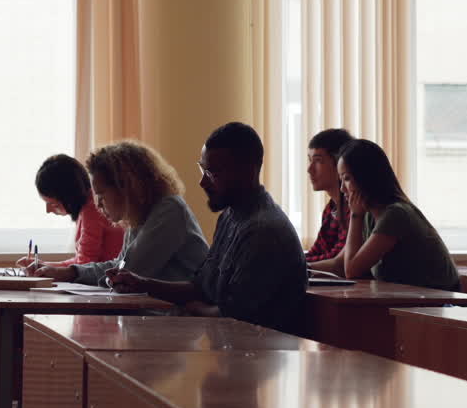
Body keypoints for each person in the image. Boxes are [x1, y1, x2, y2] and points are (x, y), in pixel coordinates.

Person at [108, 122, 308, 335]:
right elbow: (201, 288)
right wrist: (141, 284)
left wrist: (195, 309)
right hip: (232, 347)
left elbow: (237, 316)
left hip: (261, 354)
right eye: (202, 169)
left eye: (212, 173)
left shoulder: (264, 231)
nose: (203, 182)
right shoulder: (229, 217)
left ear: (247, 171)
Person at [29, 140, 208, 287]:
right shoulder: (140, 216)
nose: (98, 204)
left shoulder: (169, 211)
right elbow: (119, 265)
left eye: (101, 194)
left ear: (126, 186)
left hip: (180, 321)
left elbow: (128, 273)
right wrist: (68, 272)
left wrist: (71, 273)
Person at [321, 139, 460, 292]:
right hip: (409, 300)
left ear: (366, 177)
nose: (342, 189)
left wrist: (355, 216)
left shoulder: (396, 214)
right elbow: (341, 264)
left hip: (436, 302)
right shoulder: (369, 215)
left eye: (347, 179)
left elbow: (352, 271)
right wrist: (303, 268)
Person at [19, 154, 123, 269]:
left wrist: (45, 267)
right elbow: (81, 262)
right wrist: (43, 265)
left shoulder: (92, 210)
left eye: (54, 204)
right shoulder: (87, 207)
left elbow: (84, 265)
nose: (48, 211)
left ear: (69, 197)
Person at [304, 128, 353, 270]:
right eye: (309, 160)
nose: (309, 169)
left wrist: (296, 267)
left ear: (340, 164)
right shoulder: (331, 209)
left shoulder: (357, 209)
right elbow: (318, 251)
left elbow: (336, 260)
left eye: (318, 161)